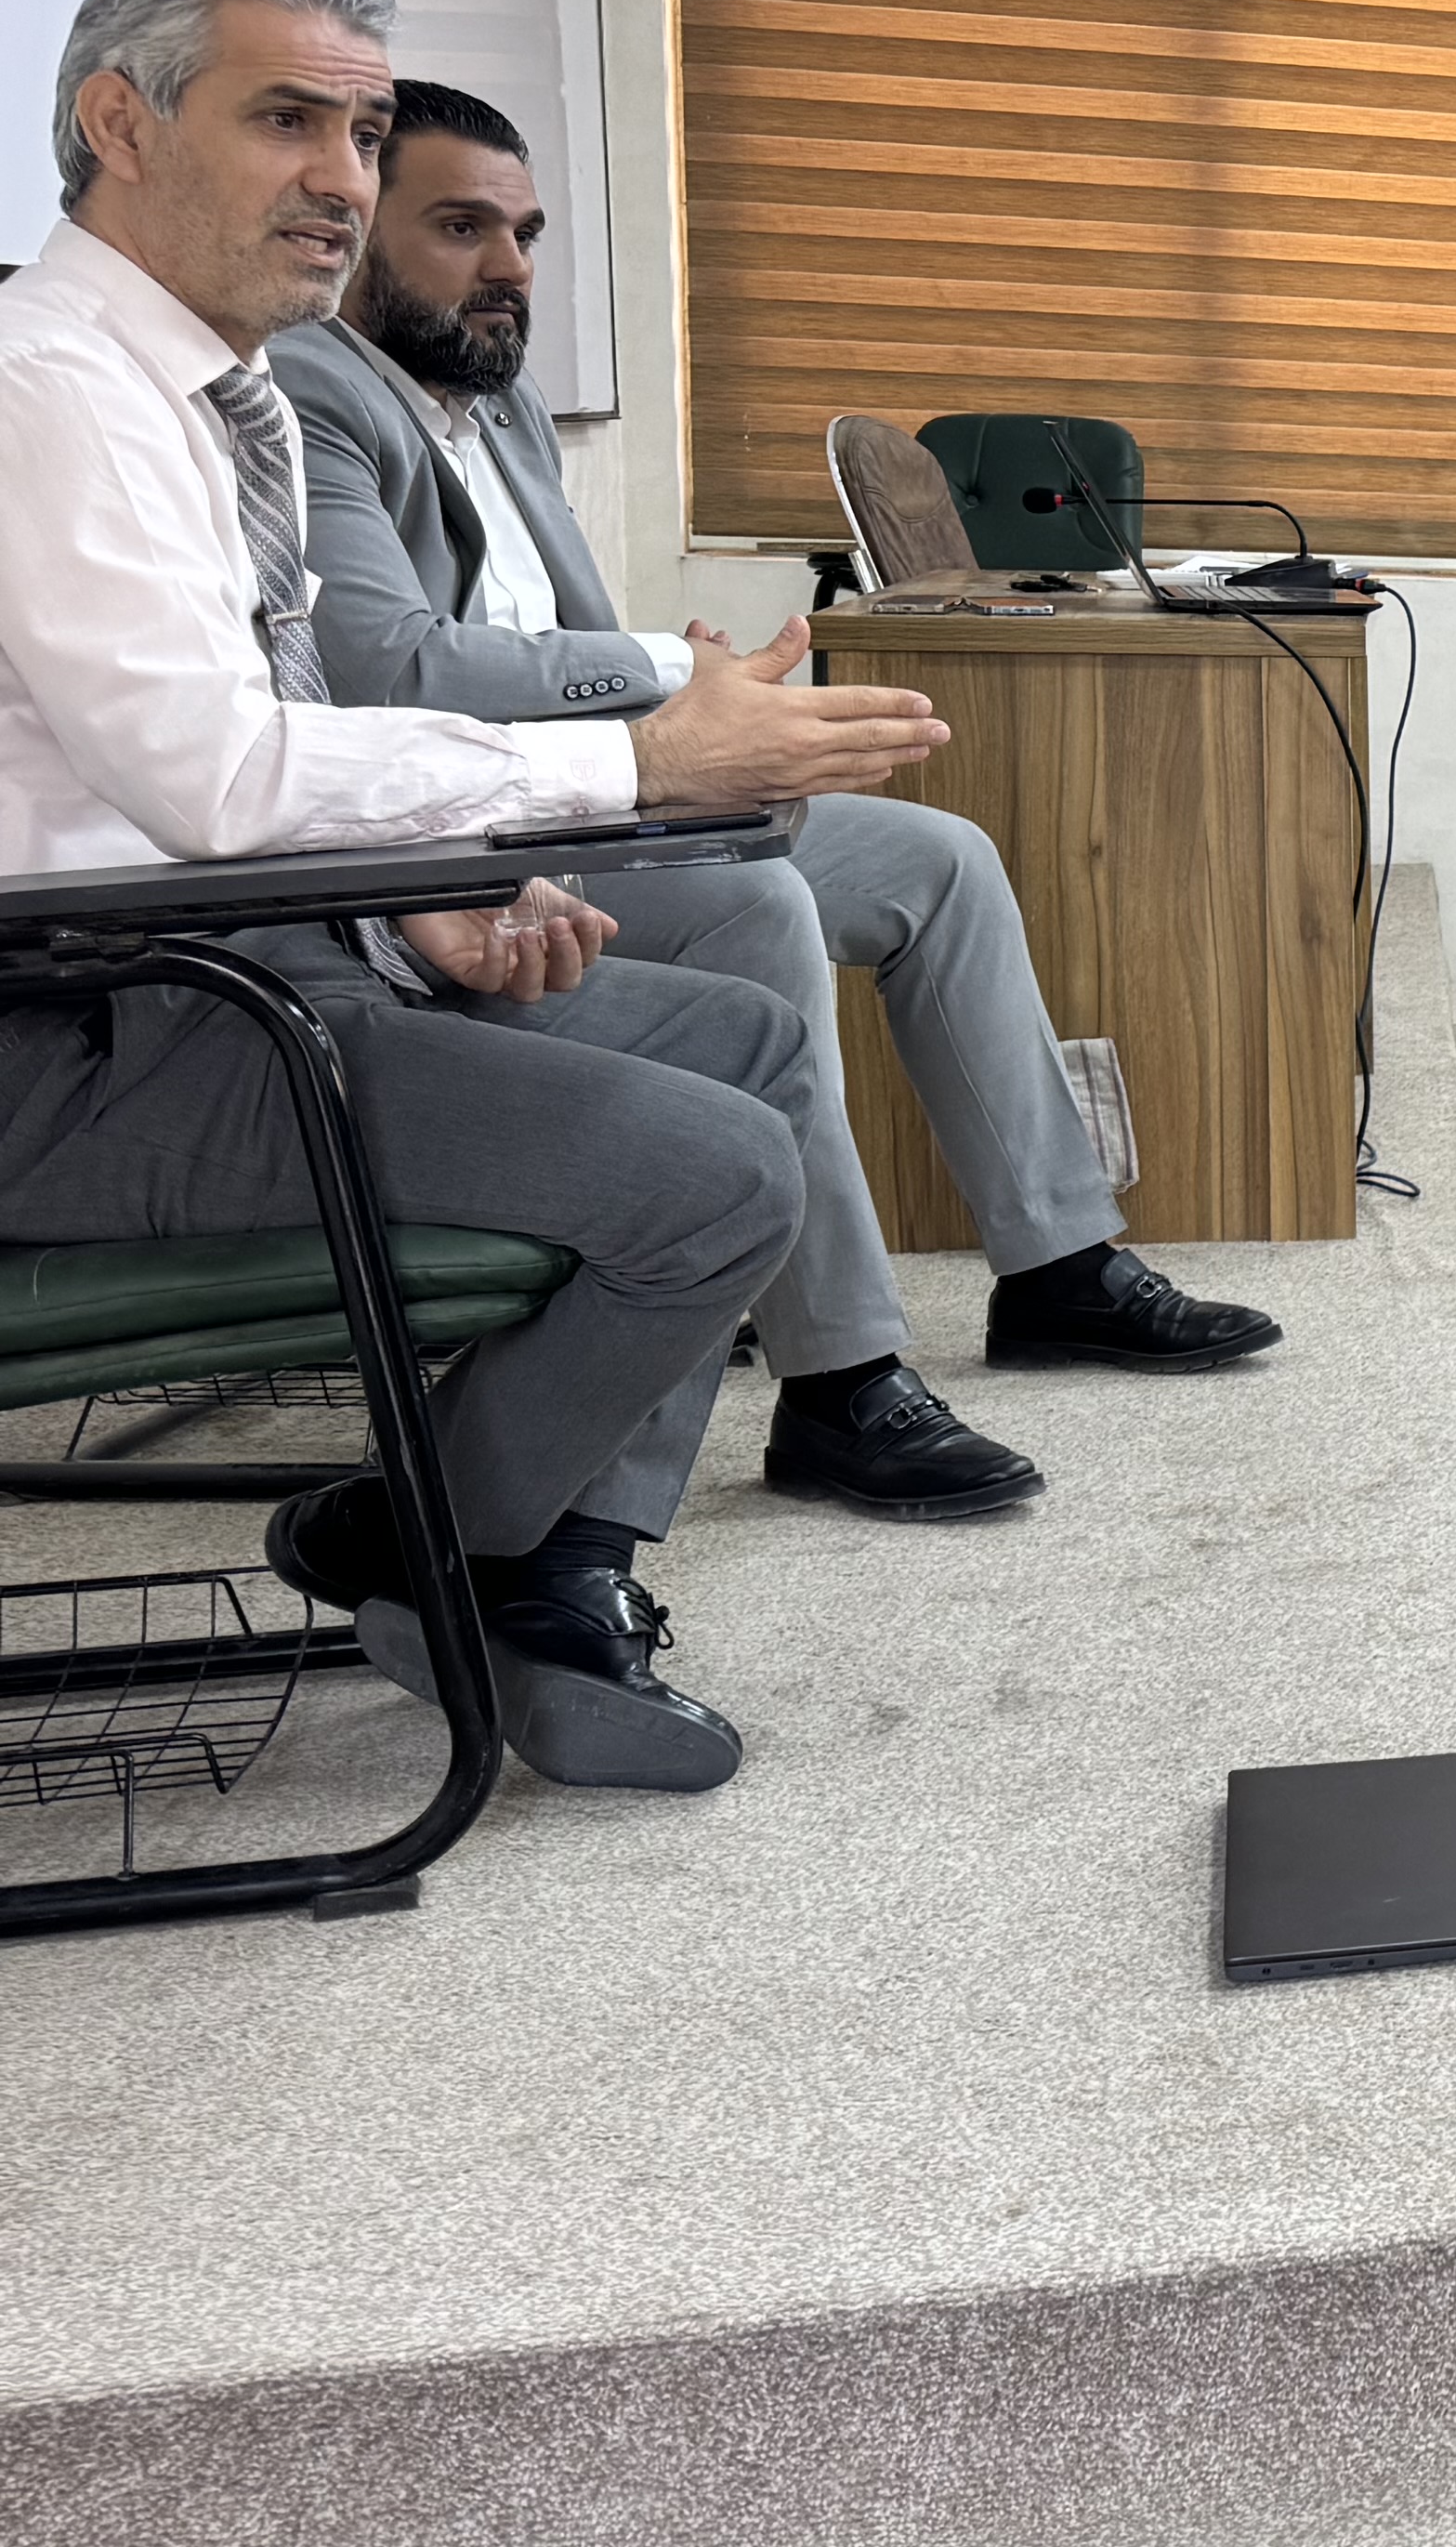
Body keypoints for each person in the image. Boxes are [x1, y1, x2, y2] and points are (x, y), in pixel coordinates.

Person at [0, 0, 951, 1789]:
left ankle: (516, 1550)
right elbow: (213, 775)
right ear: (120, 121)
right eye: (288, 120)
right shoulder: (53, 393)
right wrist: (635, 759)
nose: (341, 181)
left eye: (361, 133)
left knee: (749, 1044)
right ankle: (466, 1548)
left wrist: (425, 888)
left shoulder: (214, 394)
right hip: (89, 1035)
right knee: (717, 1180)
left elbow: (219, 754)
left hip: (225, 962)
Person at [277, 79, 1280, 1527]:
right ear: (363, 229)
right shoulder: (314, 391)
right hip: (474, 838)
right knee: (755, 903)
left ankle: (1057, 1262)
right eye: (461, 229)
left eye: (526, 235)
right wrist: (662, 673)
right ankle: (840, 1377)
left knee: (938, 862)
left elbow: (555, 637)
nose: (510, 268)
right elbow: (390, 663)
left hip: (596, 796)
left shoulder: (504, 414)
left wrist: (713, 706)